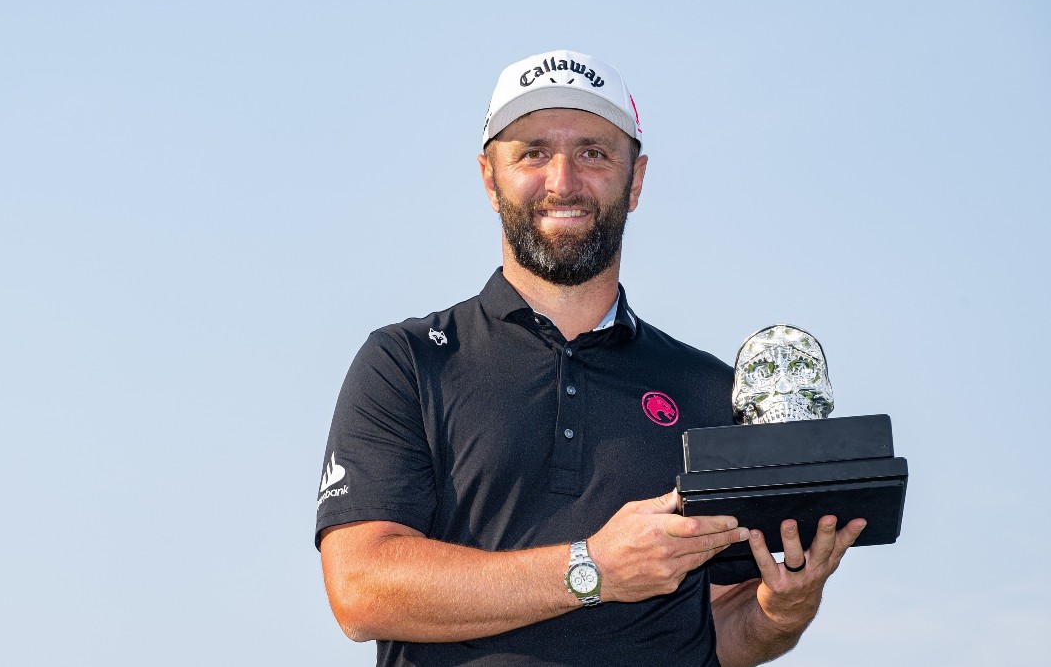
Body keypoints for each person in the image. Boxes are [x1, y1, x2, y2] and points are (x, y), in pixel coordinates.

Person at [314, 49, 866, 667]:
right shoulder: (409, 362)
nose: (563, 181)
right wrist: (594, 568)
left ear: (636, 181)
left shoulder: (712, 390)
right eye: (533, 152)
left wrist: (784, 610)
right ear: (488, 177)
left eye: (594, 153)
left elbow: (722, 631)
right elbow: (361, 590)